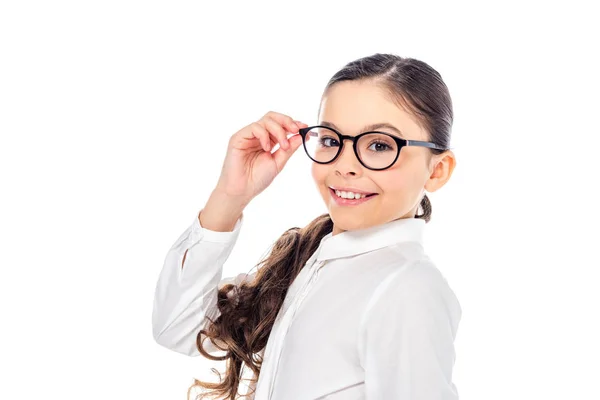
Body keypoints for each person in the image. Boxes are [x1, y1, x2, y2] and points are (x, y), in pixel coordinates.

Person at [152, 53, 462, 400]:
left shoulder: (408, 287)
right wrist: (230, 195)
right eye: (331, 140)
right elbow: (178, 327)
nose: (345, 166)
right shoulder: (308, 261)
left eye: (379, 145)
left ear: (437, 170)